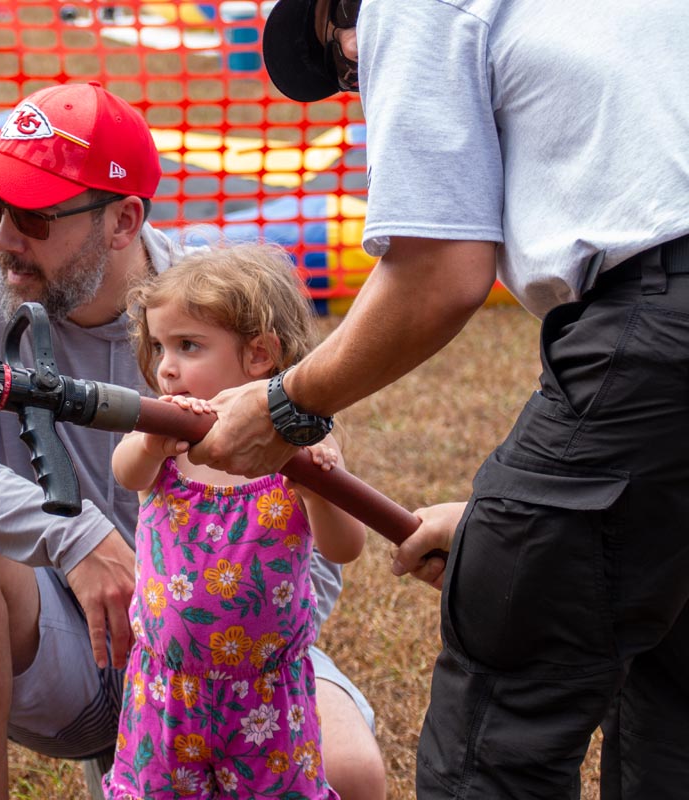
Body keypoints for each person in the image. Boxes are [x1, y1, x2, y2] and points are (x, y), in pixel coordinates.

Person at [189, 1, 689, 797]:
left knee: (494, 731)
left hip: (658, 315)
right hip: (655, 342)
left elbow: (440, 272)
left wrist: (285, 404)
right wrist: (508, 517)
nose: (358, 58)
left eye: (343, 42)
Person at [0, 81, 386, 799]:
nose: (4, 237)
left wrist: (200, 646)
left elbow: (318, 550)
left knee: (351, 777)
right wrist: (73, 538)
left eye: (35, 216)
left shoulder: (221, 302)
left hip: (225, 658)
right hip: (60, 649)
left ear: (123, 219)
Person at [103, 245, 365, 799]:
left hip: (268, 697)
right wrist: (150, 443)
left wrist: (315, 490)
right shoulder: (165, 443)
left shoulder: (296, 451)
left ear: (258, 356)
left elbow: (344, 547)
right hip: (167, 690)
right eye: (159, 346)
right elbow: (127, 473)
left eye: (188, 346)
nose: (166, 366)